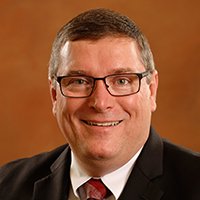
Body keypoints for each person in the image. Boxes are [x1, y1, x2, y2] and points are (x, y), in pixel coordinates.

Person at [0, 8, 199, 200]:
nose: (101, 103)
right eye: (79, 81)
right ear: (55, 95)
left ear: (152, 91)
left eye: (122, 81)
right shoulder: (6, 185)